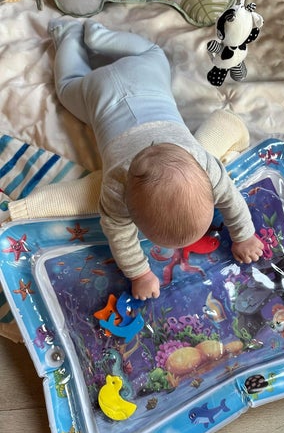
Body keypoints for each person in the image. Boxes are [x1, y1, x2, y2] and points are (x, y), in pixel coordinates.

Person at [48, 19, 264, 300]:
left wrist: (245, 234)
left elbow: (231, 199)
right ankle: (78, 34)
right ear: (129, 207)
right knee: (68, 87)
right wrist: (139, 273)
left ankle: (89, 35)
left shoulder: (204, 163)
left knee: (153, 54)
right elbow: (118, 233)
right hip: (102, 93)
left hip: (141, 77)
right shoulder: (116, 186)